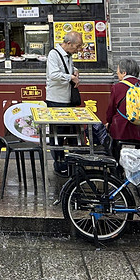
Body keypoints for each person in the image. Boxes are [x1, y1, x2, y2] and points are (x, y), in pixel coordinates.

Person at [45, 32, 83, 174]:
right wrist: (70, 77)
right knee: (58, 133)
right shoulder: (54, 55)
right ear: (68, 43)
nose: (78, 49)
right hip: (56, 100)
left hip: (68, 99)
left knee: (71, 131)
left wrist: (75, 71)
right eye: (77, 46)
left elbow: (68, 69)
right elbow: (53, 75)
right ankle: (59, 163)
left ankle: (72, 162)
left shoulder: (68, 55)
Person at [101, 57, 140, 156]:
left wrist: (108, 123)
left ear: (124, 73)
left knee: (114, 147)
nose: (117, 73)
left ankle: (117, 168)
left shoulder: (117, 87)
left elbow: (110, 111)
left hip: (122, 131)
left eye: (118, 71)